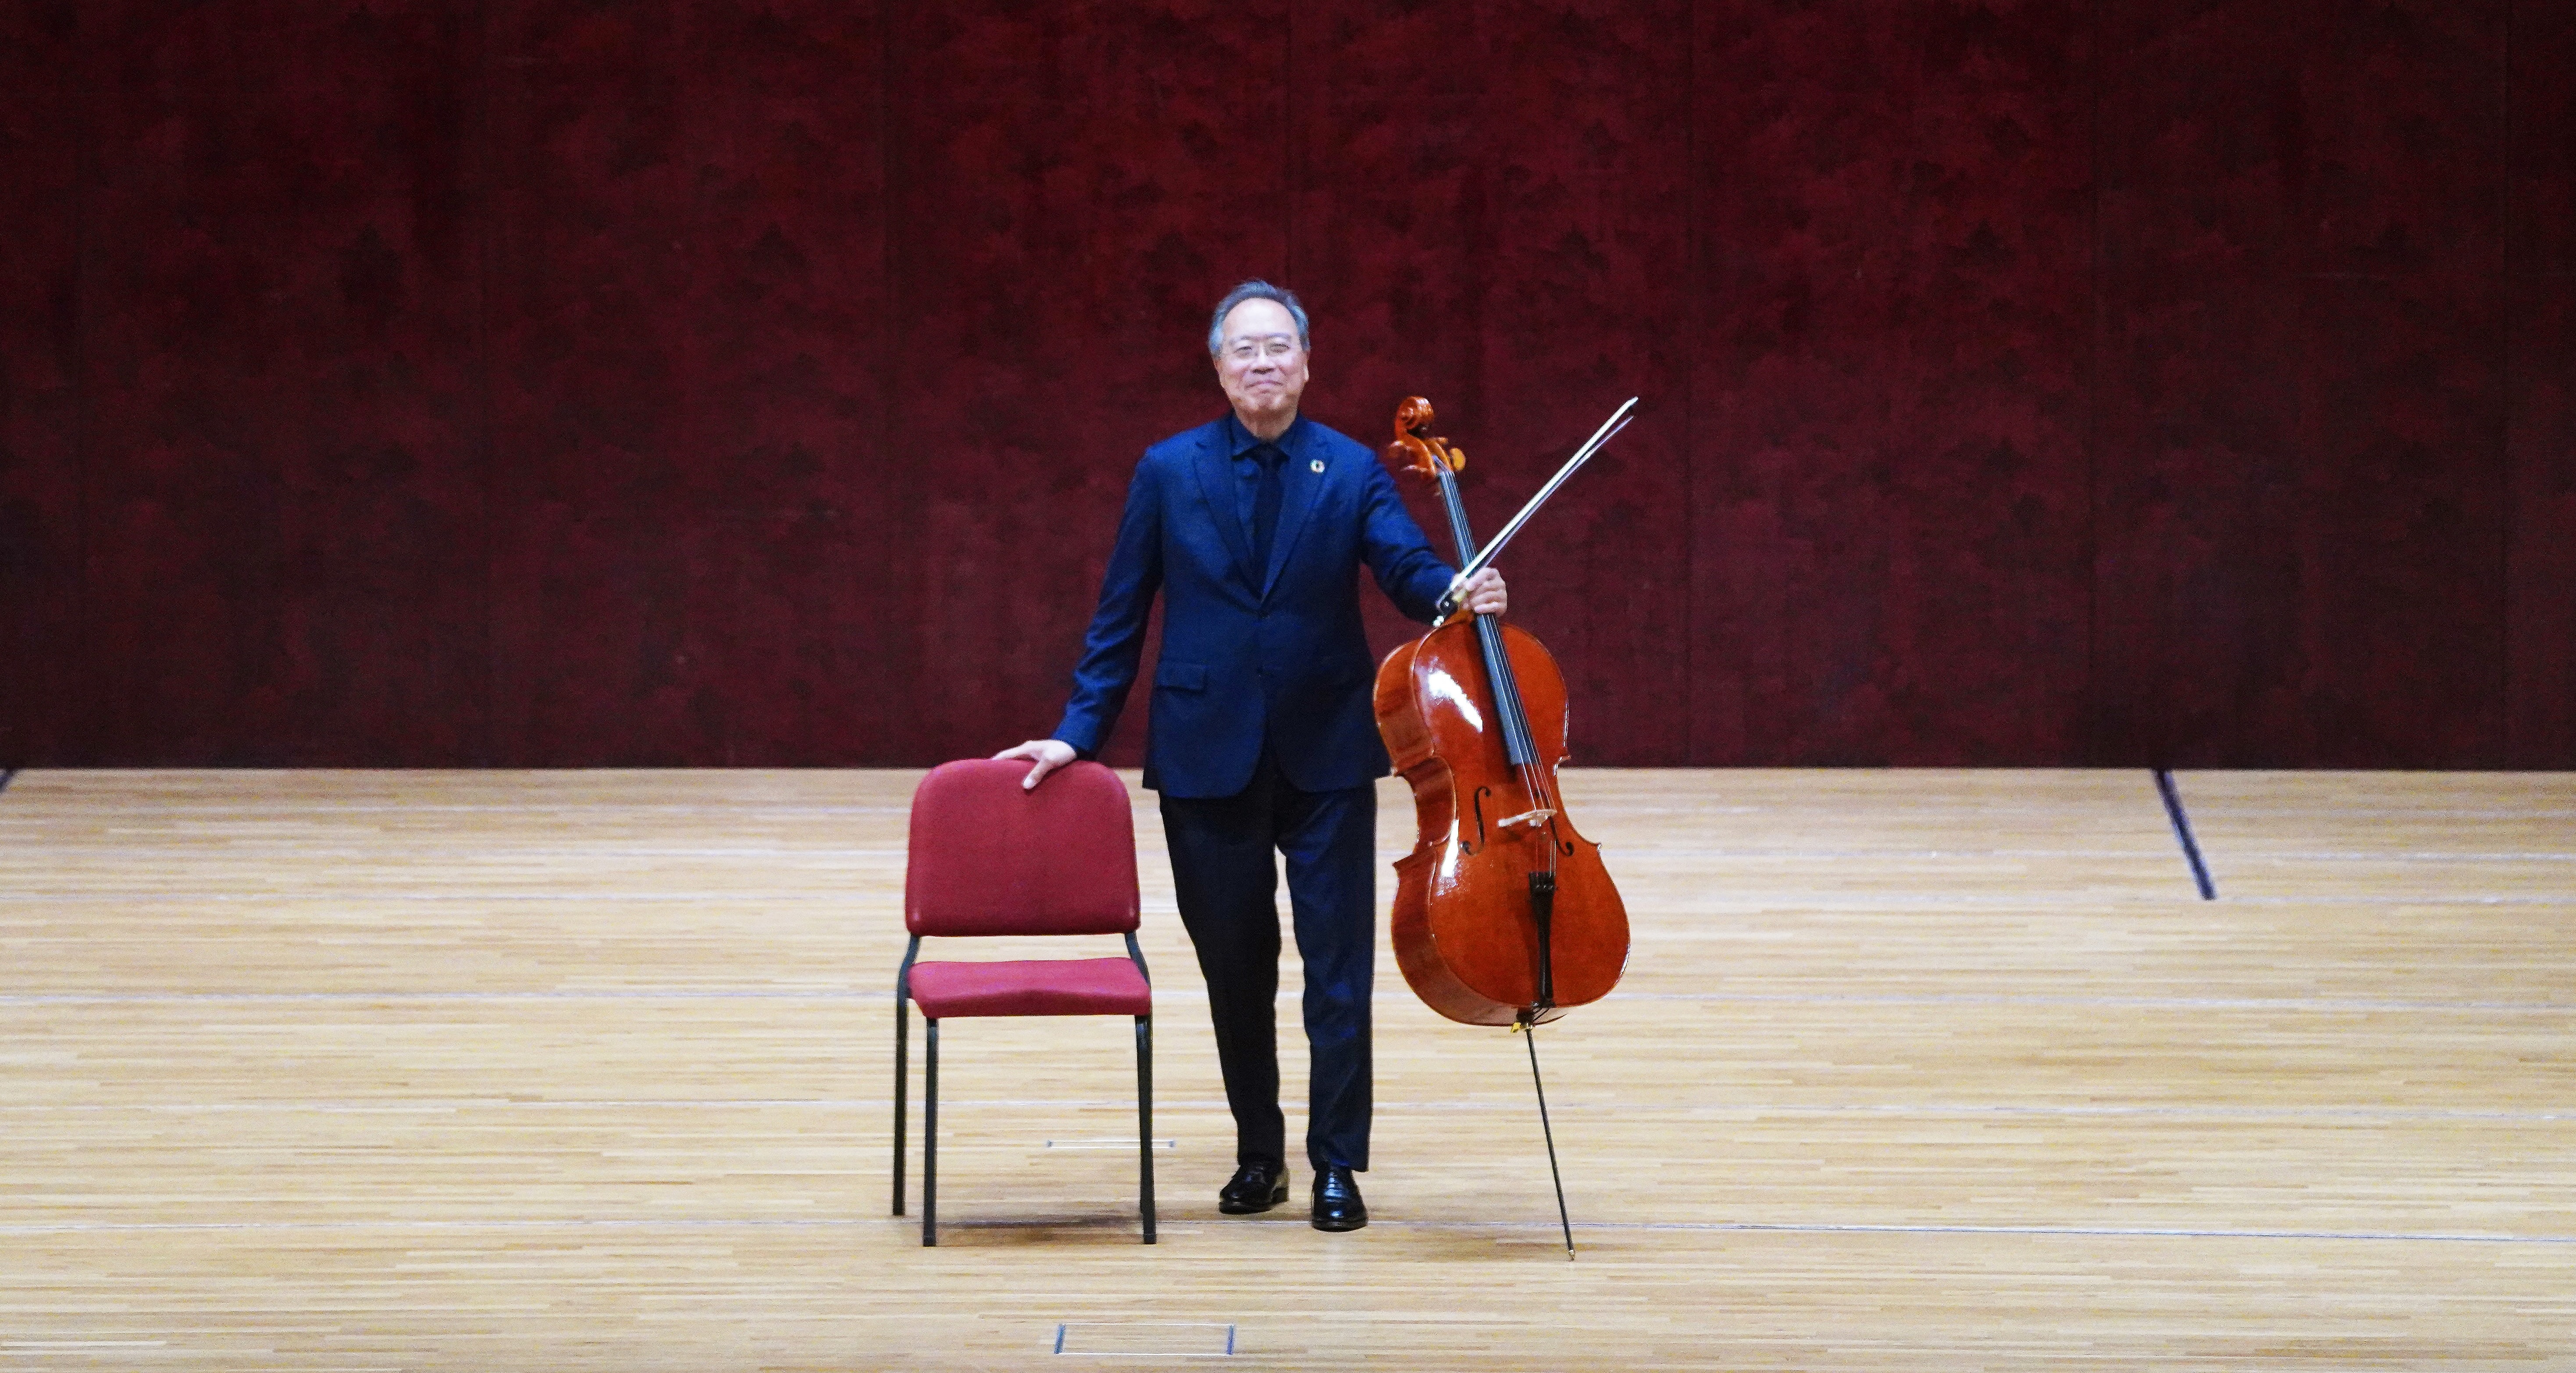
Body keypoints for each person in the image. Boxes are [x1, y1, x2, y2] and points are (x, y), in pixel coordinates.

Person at [996, 281, 1505, 1232]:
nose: (1263, 362)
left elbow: (1404, 566)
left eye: (1279, 347)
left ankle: (1337, 1165)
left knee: (1338, 971)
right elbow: (1120, 613)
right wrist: (1078, 731)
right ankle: (1259, 1155)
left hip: (1326, 755)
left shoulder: (1349, 468)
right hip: (1204, 755)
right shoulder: (1167, 470)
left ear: (1306, 363)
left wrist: (1453, 590)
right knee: (1236, 969)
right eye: (1245, 348)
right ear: (1219, 367)